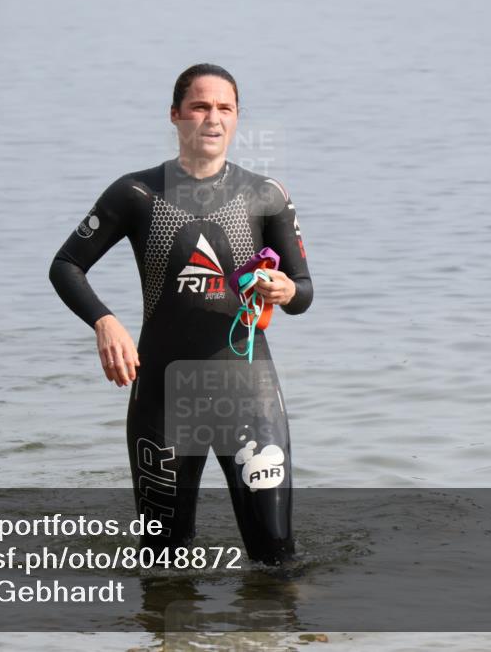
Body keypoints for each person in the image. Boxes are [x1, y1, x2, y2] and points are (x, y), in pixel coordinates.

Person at [49, 64, 313, 565]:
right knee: (164, 568)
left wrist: (284, 290)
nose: (212, 119)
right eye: (200, 106)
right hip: (164, 401)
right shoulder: (135, 194)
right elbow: (66, 266)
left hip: (248, 395)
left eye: (225, 108)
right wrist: (105, 322)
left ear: (237, 119)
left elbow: (304, 292)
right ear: (175, 115)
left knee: (276, 560)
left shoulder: (266, 196)